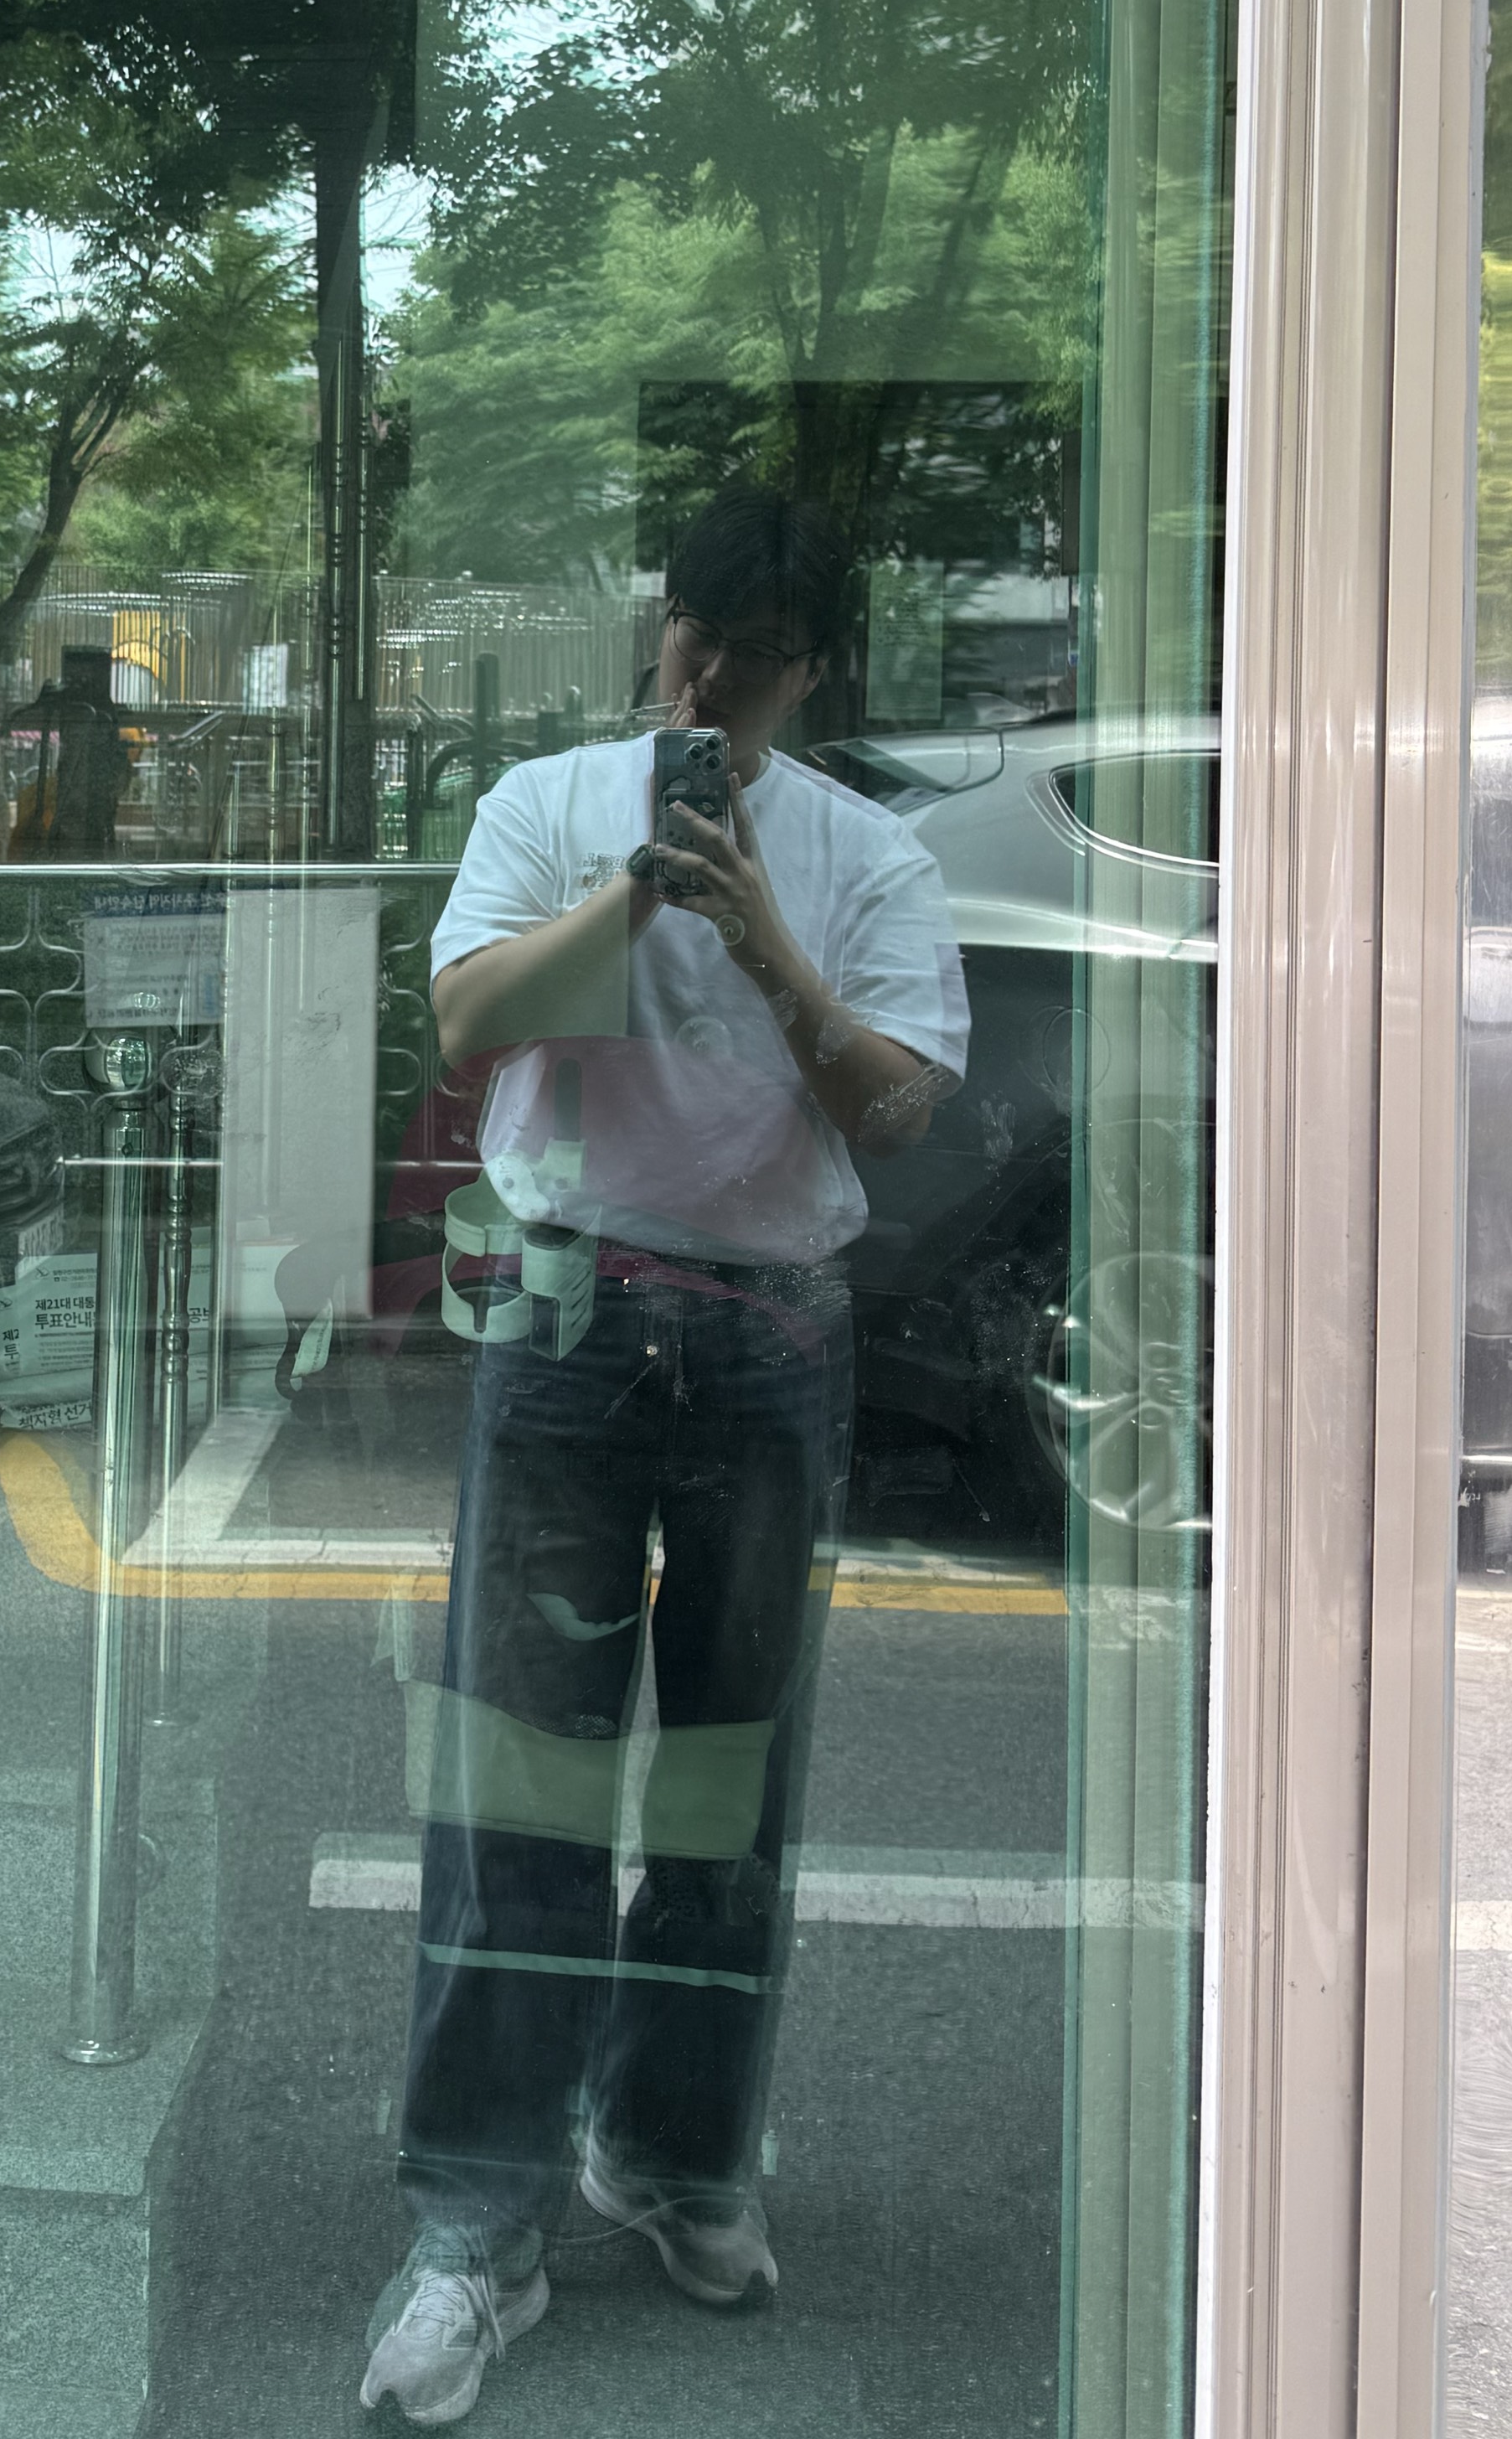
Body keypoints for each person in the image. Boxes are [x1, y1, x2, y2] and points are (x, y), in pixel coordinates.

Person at [359, 491, 968, 2426]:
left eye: (754, 660)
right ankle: (478, 2222)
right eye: (695, 642)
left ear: (813, 672)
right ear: (663, 624)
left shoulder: (867, 856)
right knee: (515, 1782)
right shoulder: (546, 806)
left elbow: (900, 1114)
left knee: (727, 1789)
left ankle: (675, 2151)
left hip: (772, 1331)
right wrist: (633, 895)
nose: (708, 688)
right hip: (562, 1310)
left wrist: (763, 939)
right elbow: (463, 1023)